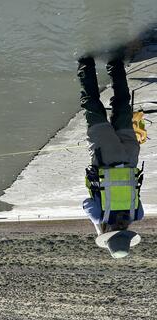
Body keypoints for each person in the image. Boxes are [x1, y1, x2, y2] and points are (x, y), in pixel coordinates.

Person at [77, 56, 144, 258]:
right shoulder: (99, 216)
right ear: (109, 235)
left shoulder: (136, 215)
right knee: (92, 107)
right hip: (106, 155)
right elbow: (86, 204)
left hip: (130, 155)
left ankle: (116, 64)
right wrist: (99, 227)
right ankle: (85, 63)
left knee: (122, 106)